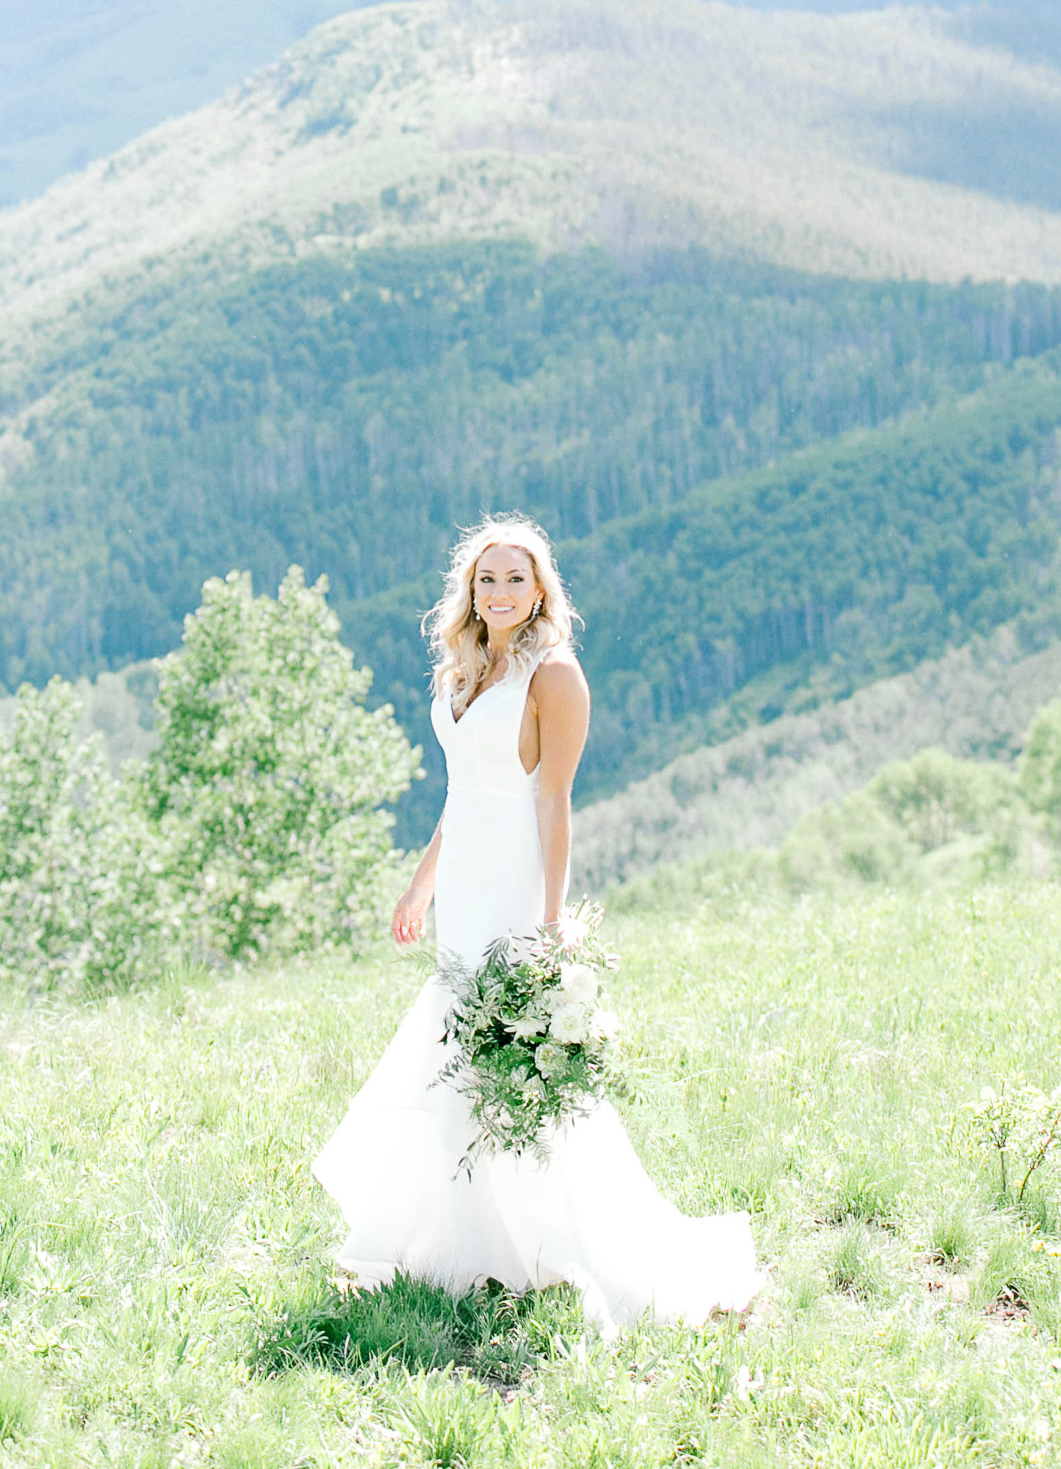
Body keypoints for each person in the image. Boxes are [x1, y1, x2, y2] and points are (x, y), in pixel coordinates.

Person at [311, 515, 765, 1333]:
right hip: (464, 885)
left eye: (517, 578)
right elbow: (461, 793)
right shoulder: (461, 670)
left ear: (542, 589)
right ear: (470, 589)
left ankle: (543, 1243)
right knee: (456, 1054)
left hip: (516, 886)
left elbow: (553, 802)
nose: (501, 592)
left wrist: (552, 921)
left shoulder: (555, 677)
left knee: (509, 1061)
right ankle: (462, 1242)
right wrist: (421, 886)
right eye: (488, 579)